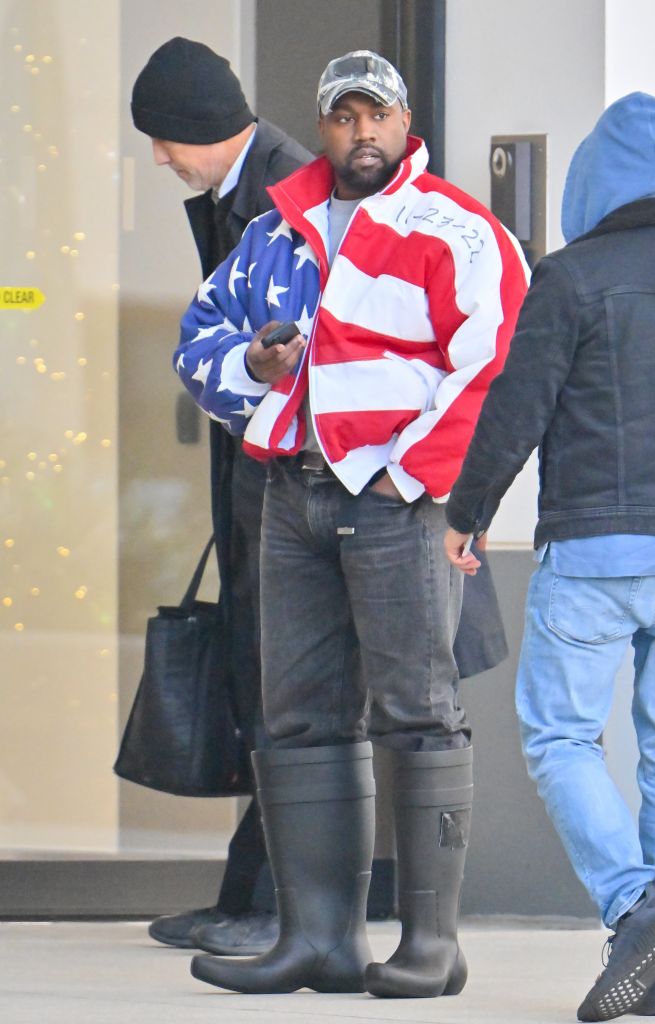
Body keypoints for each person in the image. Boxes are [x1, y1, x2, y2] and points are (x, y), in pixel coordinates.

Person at [173, 49, 528, 997]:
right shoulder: (274, 231)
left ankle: (431, 945)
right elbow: (197, 339)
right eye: (343, 116)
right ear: (323, 126)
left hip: (395, 499)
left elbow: (494, 362)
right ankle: (317, 941)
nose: (362, 132)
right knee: (296, 714)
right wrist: (253, 366)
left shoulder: (454, 227)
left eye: (377, 115)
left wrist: (410, 477)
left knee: (417, 709)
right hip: (289, 491)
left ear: (405, 123)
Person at [444, 92, 655, 1021]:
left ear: (591, 184)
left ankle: (635, 907)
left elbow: (518, 405)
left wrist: (467, 514)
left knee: (559, 737)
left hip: (592, 551)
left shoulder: (570, 276)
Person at [131, 36, 312, 957]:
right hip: (263, 488)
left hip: (294, 495)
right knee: (266, 685)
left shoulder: (284, 198)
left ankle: (284, 907)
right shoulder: (242, 193)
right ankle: (250, 895)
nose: (159, 158)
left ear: (198, 127)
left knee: (290, 693)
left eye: (162, 139)